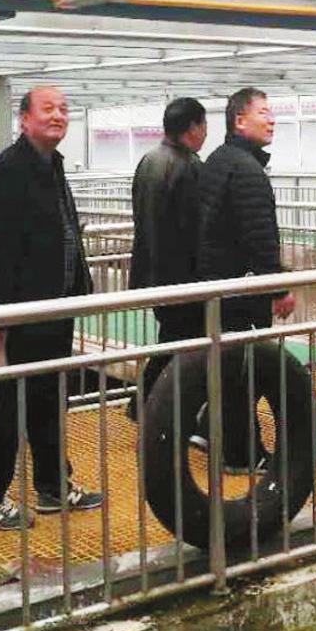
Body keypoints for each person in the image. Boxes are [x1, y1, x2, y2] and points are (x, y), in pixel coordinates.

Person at [0, 86, 103, 530]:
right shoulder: (9, 171)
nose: (58, 115)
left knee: (48, 400)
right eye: (48, 109)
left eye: (63, 109)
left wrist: (78, 289)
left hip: (55, 308)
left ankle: (52, 485)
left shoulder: (51, 165)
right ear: (24, 119)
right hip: (23, 312)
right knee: (11, 403)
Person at [197, 87, 296, 474]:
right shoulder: (247, 170)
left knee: (229, 367)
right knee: (244, 371)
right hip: (241, 287)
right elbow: (259, 237)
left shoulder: (218, 160)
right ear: (240, 120)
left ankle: (210, 430)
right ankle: (241, 454)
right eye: (263, 113)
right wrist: (278, 289)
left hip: (217, 283)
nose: (271, 120)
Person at [127, 97, 208, 418]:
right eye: (204, 125)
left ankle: (146, 405)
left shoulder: (149, 160)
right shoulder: (188, 167)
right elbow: (194, 229)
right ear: (193, 127)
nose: (205, 132)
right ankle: (148, 406)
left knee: (172, 340)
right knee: (182, 343)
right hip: (181, 276)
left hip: (153, 272)